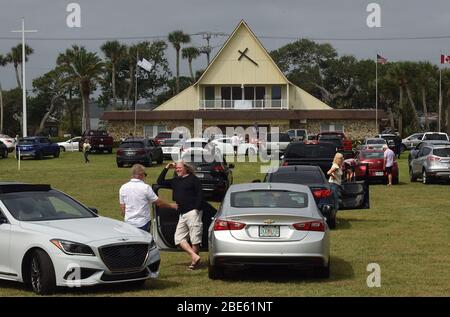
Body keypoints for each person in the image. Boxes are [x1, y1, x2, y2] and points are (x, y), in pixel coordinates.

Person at [157, 160, 203, 270]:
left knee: (195, 239)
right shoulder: (175, 180)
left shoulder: (193, 179)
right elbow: (160, 181)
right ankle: (195, 256)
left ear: (186, 168)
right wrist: (167, 167)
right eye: (176, 168)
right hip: (182, 213)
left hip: (193, 212)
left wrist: (196, 209)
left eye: (179, 168)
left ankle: (194, 264)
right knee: (178, 238)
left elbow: (200, 195)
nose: (177, 169)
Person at [119, 164, 177, 232]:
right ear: (142, 175)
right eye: (145, 174)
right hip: (143, 222)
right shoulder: (145, 187)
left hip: (128, 222)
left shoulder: (123, 187)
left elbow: (122, 208)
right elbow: (158, 203)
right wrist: (171, 206)